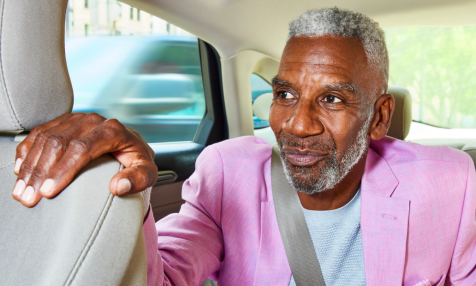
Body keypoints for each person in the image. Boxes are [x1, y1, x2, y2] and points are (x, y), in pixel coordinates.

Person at [11, 7, 476, 286]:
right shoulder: (226, 172)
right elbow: (165, 280)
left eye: (332, 99)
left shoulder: (449, 183)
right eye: (284, 94)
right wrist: (127, 191)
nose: (296, 123)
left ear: (377, 118)